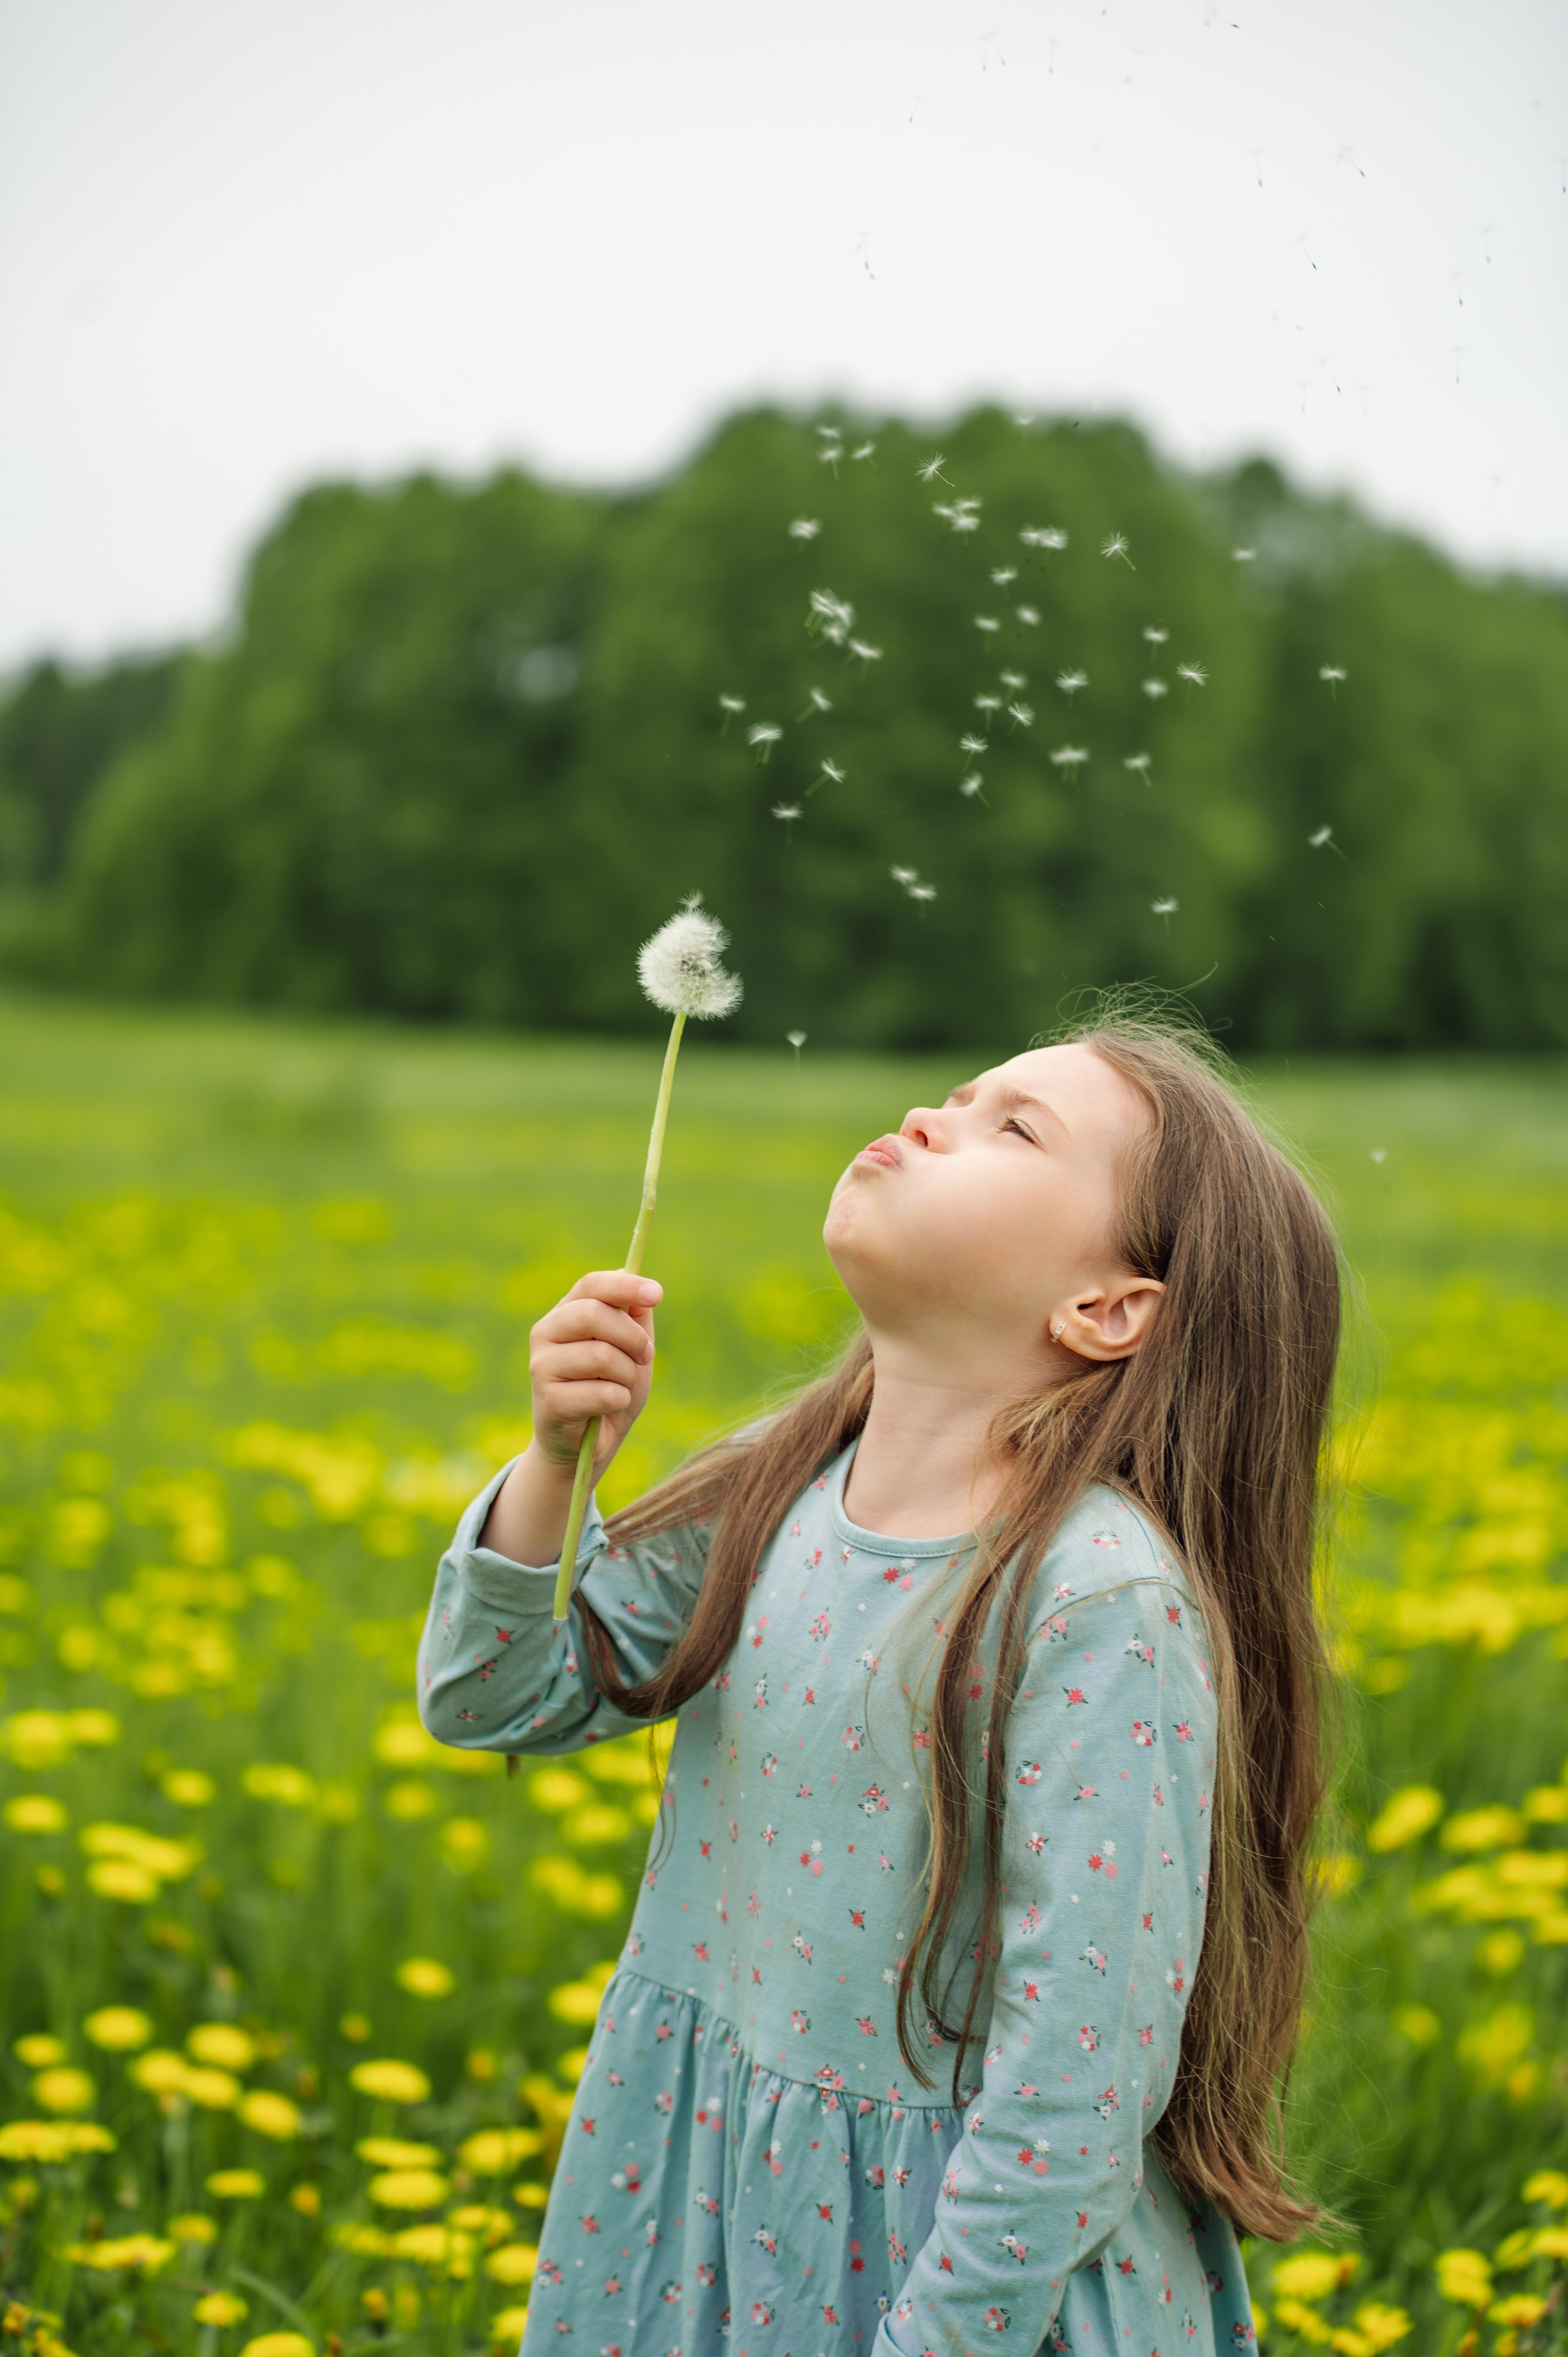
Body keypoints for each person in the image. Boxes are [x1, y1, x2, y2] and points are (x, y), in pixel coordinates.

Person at [417, 1009, 1341, 2357]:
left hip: (962, 2273)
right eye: (958, 1093)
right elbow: (491, 1697)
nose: (930, 1115)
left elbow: (1075, 2088)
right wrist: (559, 1462)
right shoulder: (775, 1485)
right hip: (705, 2200)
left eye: (1011, 1126)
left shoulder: (1096, 1600)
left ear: (1105, 1309)